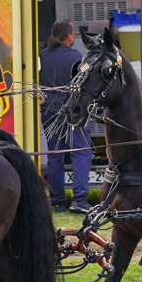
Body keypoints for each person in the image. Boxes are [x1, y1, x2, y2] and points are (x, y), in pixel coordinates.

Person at [39, 20, 93, 211]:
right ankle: (79, 199)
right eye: (74, 32)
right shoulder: (75, 56)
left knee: (55, 156)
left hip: (48, 111)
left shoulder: (42, 55)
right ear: (69, 36)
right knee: (82, 153)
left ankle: (57, 202)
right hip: (72, 113)